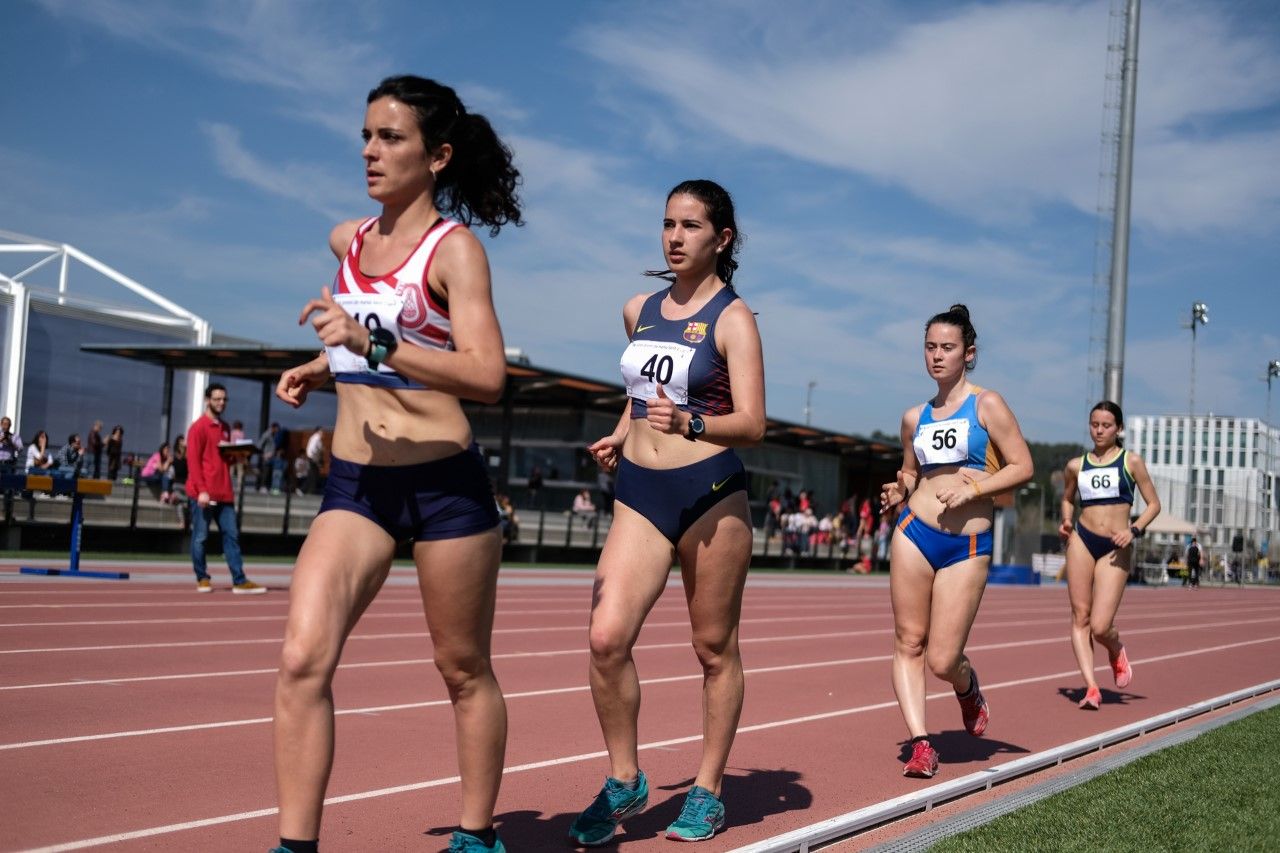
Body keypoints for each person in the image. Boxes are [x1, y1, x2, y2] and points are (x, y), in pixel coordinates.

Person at [270, 74, 521, 853]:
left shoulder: (456, 251)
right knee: (301, 655)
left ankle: (476, 836)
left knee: (461, 668)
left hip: (445, 484)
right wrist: (324, 365)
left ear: (437, 155)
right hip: (358, 483)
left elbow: (485, 374)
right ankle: (295, 845)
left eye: (391, 138)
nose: (371, 152)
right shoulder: (347, 240)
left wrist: (369, 344)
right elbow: (359, 332)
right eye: (366, 136)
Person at [571, 179, 765, 845]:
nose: (675, 237)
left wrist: (689, 421)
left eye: (690, 225)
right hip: (640, 495)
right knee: (605, 637)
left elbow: (754, 422)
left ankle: (708, 789)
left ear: (722, 237)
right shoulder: (638, 308)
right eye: (667, 224)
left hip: (712, 494)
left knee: (713, 648)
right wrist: (621, 435)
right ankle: (624, 778)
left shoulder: (734, 320)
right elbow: (639, 393)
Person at [879, 304, 1033, 779]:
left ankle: (967, 688)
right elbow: (911, 470)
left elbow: (1022, 466)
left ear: (968, 354)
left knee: (944, 658)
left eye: (947, 348)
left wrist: (975, 487)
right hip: (914, 533)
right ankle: (922, 744)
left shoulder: (987, 404)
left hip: (965, 545)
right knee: (908, 641)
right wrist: (898, 489)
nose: (937, 356)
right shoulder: (914, 416)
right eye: (930, 347)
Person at [1058, 401, 1160, 709]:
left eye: (1106, 425)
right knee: (1080, 616)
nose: (1099, 430)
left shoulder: (1131, 462)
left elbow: (1154, 504)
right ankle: (1091, 687)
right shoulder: (1077, 465)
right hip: (1083, 540)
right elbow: (1067, 499)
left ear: (1118, 428)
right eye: (1094, 424)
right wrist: (1065, 521)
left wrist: (1135, 530)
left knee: (1100, 626)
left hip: (1116, 545)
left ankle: (1115, 649)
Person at [186, 383, 266, 595]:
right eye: (217, 399)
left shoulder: (225, 427)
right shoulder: (198, 428)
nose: (221, 403)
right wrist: (202, 490)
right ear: (207, 400)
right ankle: (202, 578)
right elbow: (193, 462)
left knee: (232, 536)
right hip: (203, 493)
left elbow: (221, 459)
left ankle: (239, 580)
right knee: (200, 537)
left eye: (224, 399)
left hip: (224, 491)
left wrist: (237, 456)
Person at [304, 426, 325, 494]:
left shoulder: (314, 438)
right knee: (313, 474)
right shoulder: (316, 437)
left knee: (313, 474)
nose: (322, 433)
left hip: (313, 458)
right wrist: (314, 457)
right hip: (313, 458)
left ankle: (308, 490)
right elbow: (313, 449)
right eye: (321, 431)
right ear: (318, 431)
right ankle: (307, 490)